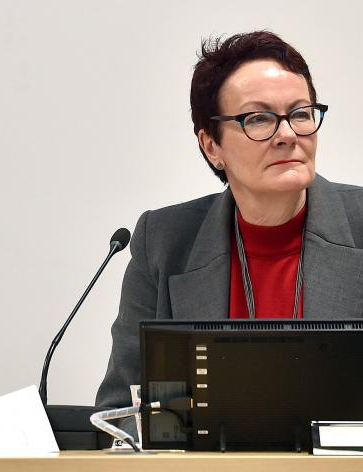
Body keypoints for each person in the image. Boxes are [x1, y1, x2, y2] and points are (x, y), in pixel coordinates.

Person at [97, 31, 363, 412]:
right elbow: (119, 414)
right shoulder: (162, 243)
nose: (287, 135)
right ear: (212, 146)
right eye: (259, 119)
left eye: (301, 113)